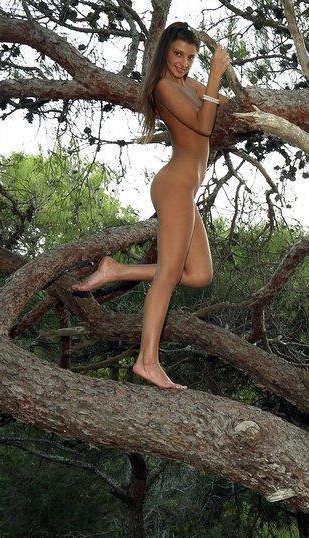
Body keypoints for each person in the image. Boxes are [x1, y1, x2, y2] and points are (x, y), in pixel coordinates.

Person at [72, 22, 230, 390]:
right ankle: (147, 361)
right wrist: (215, 76)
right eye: (178, 54)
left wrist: (218, 86)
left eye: (190, 57)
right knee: (168, 275)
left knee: (200, 274)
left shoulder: (188, 84)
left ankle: (117, 269)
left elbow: (218, 104)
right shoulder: (163, 86)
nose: (183, 62)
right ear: (165, 52)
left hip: (186, 191)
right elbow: (204, 125)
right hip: (174, 186)